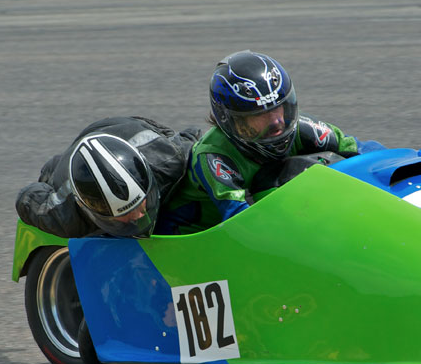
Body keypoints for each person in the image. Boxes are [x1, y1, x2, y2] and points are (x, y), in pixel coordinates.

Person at [157, 50, 384, 234]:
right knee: (276, 181)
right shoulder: (215, 156)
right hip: (192, 244)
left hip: (241, 233)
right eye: (260, 116)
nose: (277, 122)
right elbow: (242, 221)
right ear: (230, 120)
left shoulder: (301, 128)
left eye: (280, 108)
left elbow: (364, 152)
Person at [16, 116, 200, 238]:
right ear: (95, 212)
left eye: (138, 204)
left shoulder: (170, 159)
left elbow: (195, 138)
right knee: (49, 173)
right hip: (67, 162)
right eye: (126, 214)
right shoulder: (67, 213)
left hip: (131, 128)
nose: (138, 216)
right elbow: (26, 197)